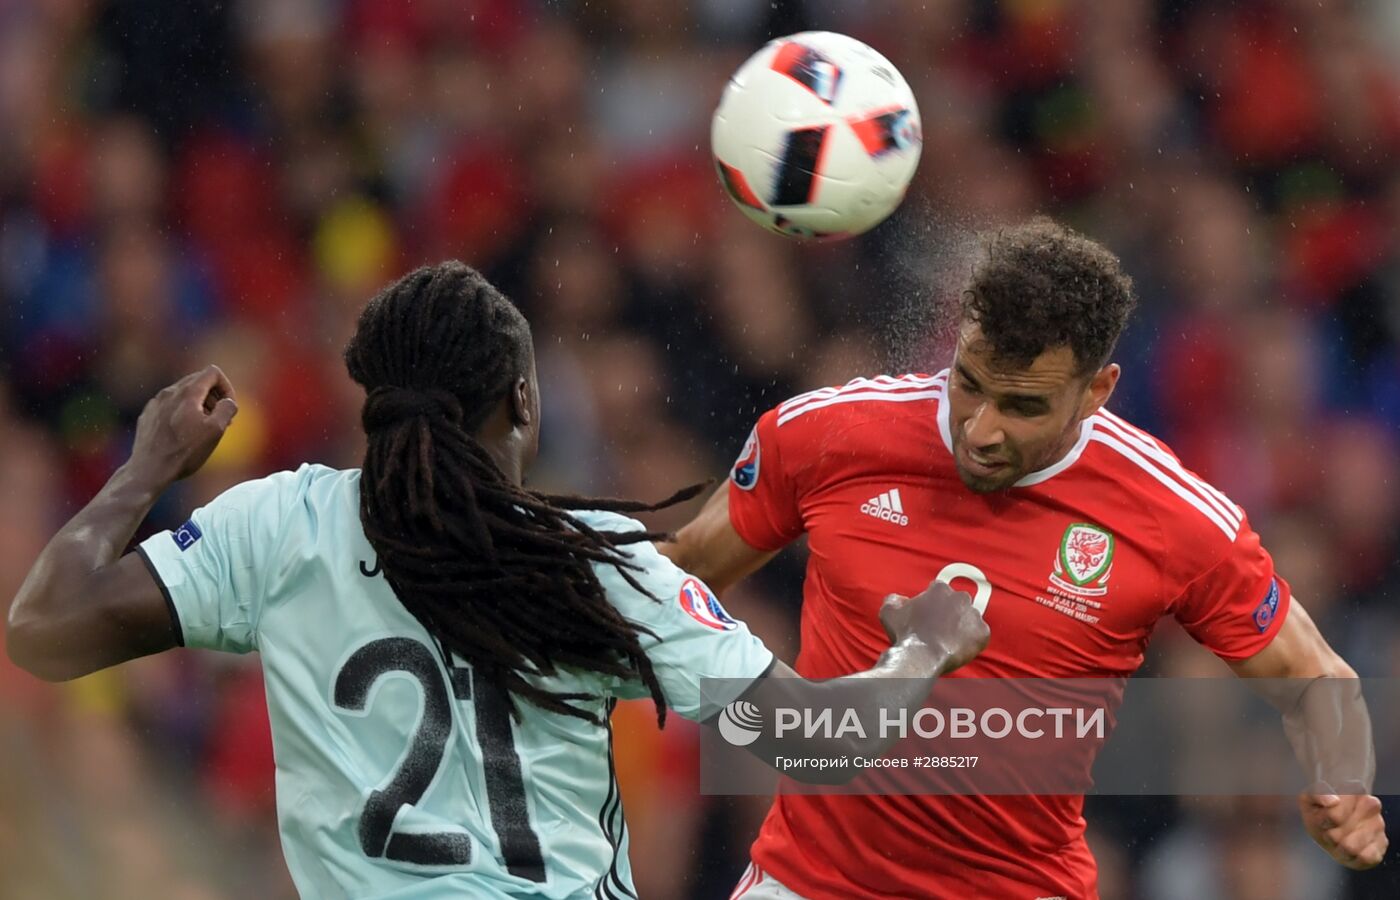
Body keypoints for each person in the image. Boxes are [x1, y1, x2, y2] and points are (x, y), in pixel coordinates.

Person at [6, 261, 988, 899]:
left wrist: (144, 467)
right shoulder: (591, 562)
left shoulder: (278, 527)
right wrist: (925, 645)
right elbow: (821, 744)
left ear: (373, 407)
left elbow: (45, 627)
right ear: (522, 400)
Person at [663, 219, 1388, 900]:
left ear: (1095, 392)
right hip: (806, 882)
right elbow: (678, 576)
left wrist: (1344, 779)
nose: (980, 430)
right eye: (969, 384)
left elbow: (1313, 674)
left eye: (1022, 406)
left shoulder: (1173, 517)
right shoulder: (825, 436)